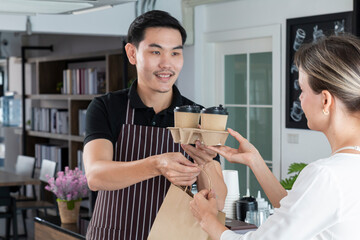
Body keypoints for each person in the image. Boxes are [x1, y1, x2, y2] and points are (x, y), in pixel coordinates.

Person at [188, 34, 360, 240]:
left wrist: (207, 219)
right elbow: (300, 215)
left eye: (302, 90)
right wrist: (255, 161)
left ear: (325, 100)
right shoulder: (345, 170)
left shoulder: (327, 175)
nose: (300, 99)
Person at [83, 10, 227, 240]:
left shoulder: (199, 116)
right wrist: (157, 164)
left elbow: (217, 200)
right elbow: (96, 176)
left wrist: (205, 162)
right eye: (155, 51)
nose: (166, 64)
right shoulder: (107, 107)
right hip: (112, 234)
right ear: (132, 53)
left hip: (175, 235)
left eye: (175, 53)